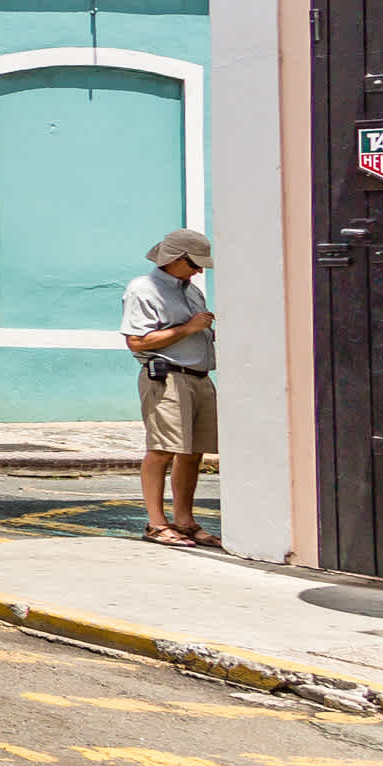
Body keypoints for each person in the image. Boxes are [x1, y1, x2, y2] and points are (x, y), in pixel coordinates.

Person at [123, 228, 219, 549]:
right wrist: (190, 328)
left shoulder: (191, 291)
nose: (199, 270)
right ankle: (156, 523)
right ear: (175, 259)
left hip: (199, 376)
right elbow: (137, 341)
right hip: (167, 377)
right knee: (162, 449)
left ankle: (184, 521)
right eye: (194, 263)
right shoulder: (143, 289)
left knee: (193, 452)